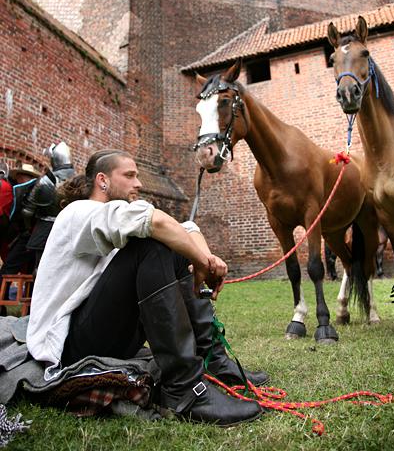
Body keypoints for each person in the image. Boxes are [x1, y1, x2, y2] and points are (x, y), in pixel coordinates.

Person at [26, 149, 266, 425]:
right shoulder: (78, 213)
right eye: (129, 175)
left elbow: (185, 228)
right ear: (102, 181)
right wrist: (201, 261)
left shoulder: (113, 216)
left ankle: (213, 361)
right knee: (151, 244)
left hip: (106, 335)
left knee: (170, 242)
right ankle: (185, 392)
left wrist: (206, 260)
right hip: (69, 346)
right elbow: (156, 223)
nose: (138, 183)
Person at [22, 141, 75, 268]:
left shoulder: (45, 181)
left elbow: (27, 211)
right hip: (69, 229)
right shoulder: (77, 180)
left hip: (45, 228)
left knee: (40, 268)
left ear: (54, 160)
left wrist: (28, 228)